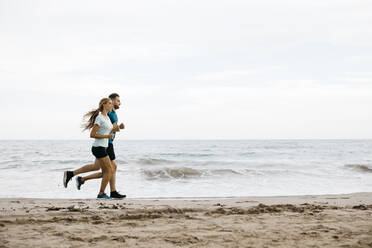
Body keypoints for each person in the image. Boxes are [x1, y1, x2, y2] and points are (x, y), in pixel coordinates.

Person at [63, 94, 126, 199]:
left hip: (105, 144)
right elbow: (98, 131)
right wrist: (112, 131)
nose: (119, 103)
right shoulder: (110, 114)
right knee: (110, 170)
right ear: (109, 102)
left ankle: (76, 176)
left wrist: (117, 128)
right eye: (117, 101)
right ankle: (108, 192)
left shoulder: (108, 115)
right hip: (106, 144)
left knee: (97, 167)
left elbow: (108, 128)